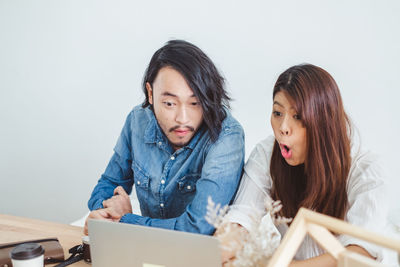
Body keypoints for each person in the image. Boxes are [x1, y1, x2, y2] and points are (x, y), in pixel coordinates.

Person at [218, 64, 386, 266]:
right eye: (278, 113)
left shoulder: (366, 170)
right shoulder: (267, 154)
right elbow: (242, 217)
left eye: (297, 116)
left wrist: (285, 265)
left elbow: (360, 254)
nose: (283, 128)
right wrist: (220, 251)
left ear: (324, 121)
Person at [84, 40, 245, 235]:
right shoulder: (138, 120)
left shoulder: (226, 137)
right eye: (169, 103)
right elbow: (110, 182)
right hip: (142, 250)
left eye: (195, 103)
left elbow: (197, 228)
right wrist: (105, 212)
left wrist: (126, 221)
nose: (182, 119)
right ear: (151, 94)